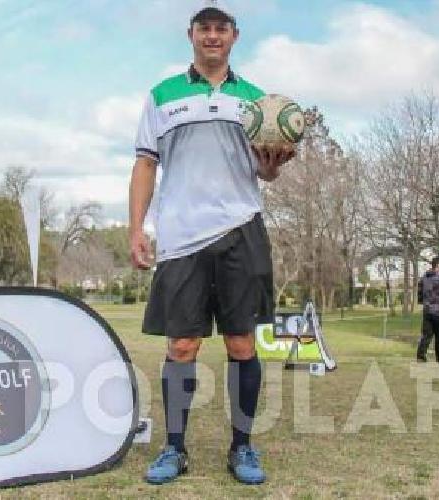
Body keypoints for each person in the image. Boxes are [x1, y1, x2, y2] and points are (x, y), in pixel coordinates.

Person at [127, 0, 295, 486]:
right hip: (181, 235)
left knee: (242, 343)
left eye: (222, 29)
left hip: (240, 228)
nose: (213, 36)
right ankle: (174, 449)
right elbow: (144, 165)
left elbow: (265, 171)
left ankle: (242, 447)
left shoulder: (259, 101)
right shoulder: (163, 95)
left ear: (234, 37)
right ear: (192, 36)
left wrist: (273, 162)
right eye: (205, 29)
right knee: (182, 345)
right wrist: (137, 228)